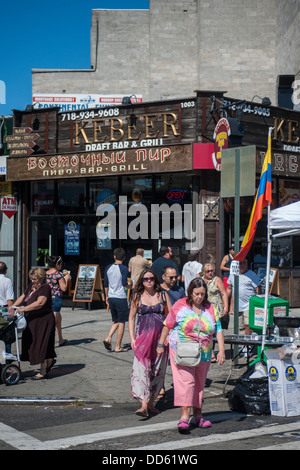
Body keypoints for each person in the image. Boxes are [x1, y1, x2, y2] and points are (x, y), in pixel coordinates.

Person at [157, 278, 225, 432]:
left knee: (199, 384)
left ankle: (198, 416)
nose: (199, 297)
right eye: (196, 294)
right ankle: (184, 417)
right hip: (183, 351)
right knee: (187, 383)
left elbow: (219, 330)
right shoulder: (180, 305)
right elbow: (167, 325)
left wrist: (221, 350)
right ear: (190, 292)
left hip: (204, 351)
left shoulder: (210, 308)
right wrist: (161, 345)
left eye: (202, 294)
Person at [129, 268, 172, 417]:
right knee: (142, 370)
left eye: (151, 278)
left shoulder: (163, 295)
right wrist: (132, 338)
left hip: (160, 340)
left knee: (157, 371)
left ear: (155, 280)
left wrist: (169, 336)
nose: (148, 281)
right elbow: (131, 318)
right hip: (142, 339)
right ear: (142, 280)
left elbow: (171, 318)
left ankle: (151, 404)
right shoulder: (137, 296)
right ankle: (143, 405)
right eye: (146, 278)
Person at [13, 268, 56, 380]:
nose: (33, 281)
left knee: (42, 343)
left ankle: (43, 370)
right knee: (33, 343)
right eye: (32, 279)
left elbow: (40, 303)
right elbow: (23, 297)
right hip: (32, 319)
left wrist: (24, 309)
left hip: (43, 319)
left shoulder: (45, 287)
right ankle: (49, 360)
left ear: (41, 278)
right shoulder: (31, 286)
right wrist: (12, 307)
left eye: (35, 279)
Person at [103, 247, 130, 352]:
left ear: (114, 256)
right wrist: (132, 287)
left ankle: (108, 338)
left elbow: (106, 284)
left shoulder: (108, 268)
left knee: (116, 320)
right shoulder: (124, 268)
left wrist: (106, 296)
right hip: (120, 297)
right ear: (124, 257)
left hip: (111, 297)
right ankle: (118, 346)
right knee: (122, 322)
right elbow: (124, 283)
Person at [226, 258, 262, 336]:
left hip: (248, 305)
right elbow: (229, 289)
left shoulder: (251, 274)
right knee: (240, 327)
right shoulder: (233, 274)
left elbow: (258, 288)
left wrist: (258, 302)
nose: (241, 265)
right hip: (237, 305)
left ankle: (247, 343)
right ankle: (242, 344)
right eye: (240, 263)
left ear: (247, 264)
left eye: (243, 263)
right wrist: (226, 303)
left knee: (248, 325)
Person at [202, 263, 228, 362]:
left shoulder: (217, 280)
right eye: (208, 271)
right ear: (204, 272)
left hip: (215, 309)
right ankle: (210, 352)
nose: (210, 273)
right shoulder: (201, 280)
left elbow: (224, 293)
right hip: (205, 309)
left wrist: (226, 307)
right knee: (207, 330)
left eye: (212, 270)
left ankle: (212, 353)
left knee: (214, 331)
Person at [46, 256, 71, 346]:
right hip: (56, 298)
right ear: (57, 264)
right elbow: (63, 288)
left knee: (58, 320)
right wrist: (67, 279)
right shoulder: (58, 274)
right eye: (60, 264)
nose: (61, 266)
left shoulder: (46, 274)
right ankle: (49, 342)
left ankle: (60, 339)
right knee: (53, 321)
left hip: (48, 298)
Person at [0, 262, 14, 354]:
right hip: (3, 310)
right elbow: (9, 300)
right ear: (6, 270)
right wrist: (12, 313)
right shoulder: (7, 281)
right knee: (6, 334)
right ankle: (7, 359)